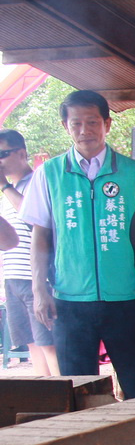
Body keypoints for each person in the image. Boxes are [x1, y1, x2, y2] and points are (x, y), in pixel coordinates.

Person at [23, 90, 135, 398]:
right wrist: (39, 288)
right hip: (69, 302)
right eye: (76, 124)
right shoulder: (49, 174)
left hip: (125, 298)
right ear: (65, 126)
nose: (84, 130)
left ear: (107, 124)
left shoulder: (132, 172)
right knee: (78, 389)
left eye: (92, 122)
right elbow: (40, 235)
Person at [1, 128, 59, 376]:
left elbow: (32, 217)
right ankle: (50, 398)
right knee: (33, 343)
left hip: (35, 276)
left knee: (49, 343)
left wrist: (4, 186)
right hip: (13, 276)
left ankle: (67, 390)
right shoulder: (9, 189)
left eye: (2, 154)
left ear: (22, 153)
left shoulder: (36, 181)